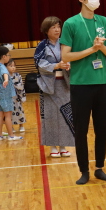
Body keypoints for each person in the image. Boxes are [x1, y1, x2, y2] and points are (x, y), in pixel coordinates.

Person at [60, 0, 106, 184]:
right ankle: (83, 170)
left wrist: (101, 49)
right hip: (80, 84)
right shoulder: (71, 23)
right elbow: (65, 56)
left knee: (102, 128)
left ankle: (99, 167)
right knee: (81, 129)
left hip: (102, 83)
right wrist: (91, 50)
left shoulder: (105, 22)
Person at [34, 16, 74, 158]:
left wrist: (69, 65)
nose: (57, 30)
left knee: (65, 115)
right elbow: (39, 64)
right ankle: (52, 146)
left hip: (64, 84)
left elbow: (71, 58)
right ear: (46, 30)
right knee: (50, 116)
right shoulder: (42, 46)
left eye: (58, 26)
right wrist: (56, 65)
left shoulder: (65, 44)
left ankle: (63, 145)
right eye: (53, 27)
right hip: (48, 85)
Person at [0, 46, 22, 141]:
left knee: (0, 115)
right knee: (8, 115)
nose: (9, 57)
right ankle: (11, 135)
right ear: (4, 56)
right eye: (8, 55)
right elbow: (5, 74)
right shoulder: (2, 67)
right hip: (5, 93)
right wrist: (6, 80)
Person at [7, 59, 26, 133]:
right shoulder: (5, 76)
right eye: (11, 66)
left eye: (14, 66)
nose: (13, 67)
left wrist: (22, 97)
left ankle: (21, 126)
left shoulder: (18, 75)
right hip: (9, 97)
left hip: (17, 97)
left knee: (19, 111)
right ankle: (11, 127)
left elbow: (21, 86)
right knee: (10, 113)